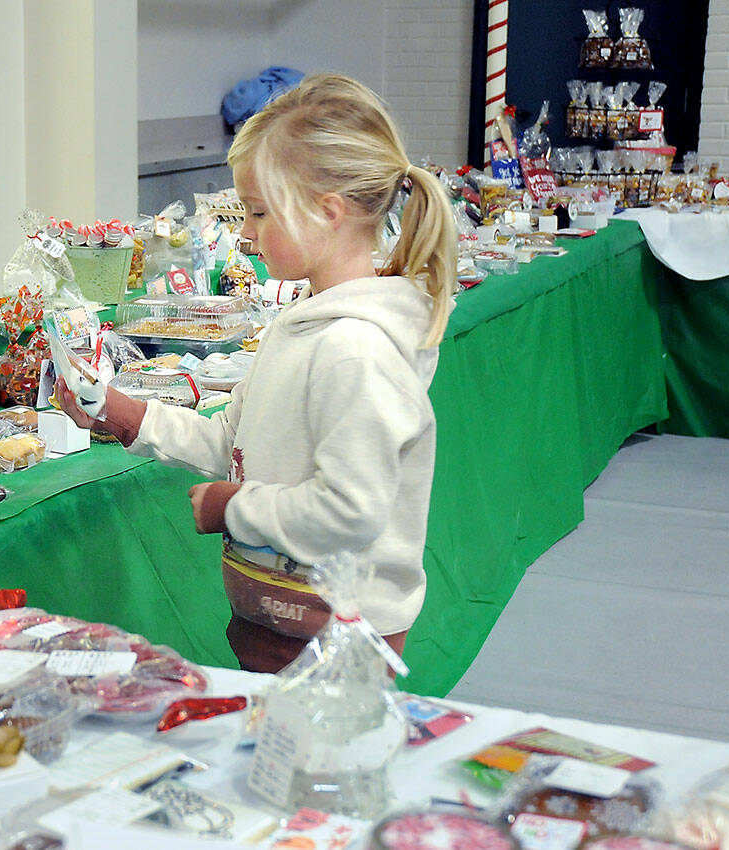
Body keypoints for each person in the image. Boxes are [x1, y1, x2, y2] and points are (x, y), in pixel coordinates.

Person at [55, 73, 456, 673]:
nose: (244, 233)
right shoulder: (302, 324)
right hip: (276, 618)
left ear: (328, 211)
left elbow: (351, 510)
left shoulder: (353, 350)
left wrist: (232, 507)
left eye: (260, 213)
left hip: (334, 637)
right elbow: (232, 442)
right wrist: (123, 414)